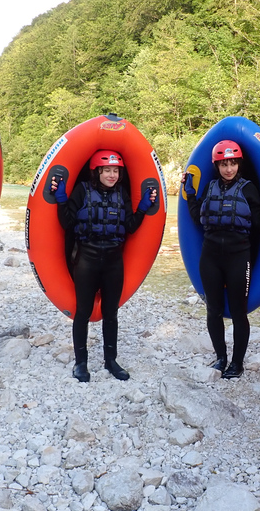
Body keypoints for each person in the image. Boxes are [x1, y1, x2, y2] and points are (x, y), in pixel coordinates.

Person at [51, 150, 156, 383]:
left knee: (111, 313)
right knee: (83, 312)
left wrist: (144, 208)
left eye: (116, 171)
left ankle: (110, 361)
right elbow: (67, 222)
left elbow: (130, 226)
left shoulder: (122, 194)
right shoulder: (83, 191)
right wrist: (60, 199)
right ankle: (81, 364)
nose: (112, 175)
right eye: (107, 170)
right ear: (97, 171)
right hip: (87, 258)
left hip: (113, 260)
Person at [181, 140, 260, 379]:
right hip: (211, 257)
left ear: (238, 164)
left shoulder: (248, 189)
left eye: (233, 163)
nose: (228, 169)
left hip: (238, 257)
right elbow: (198, 219)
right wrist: (192, 195)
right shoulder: (210, 187)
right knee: (213, 310)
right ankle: (220, 357)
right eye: (224, 164)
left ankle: (237, 363)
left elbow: (259, 224)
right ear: (217, 165)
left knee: (238, 312)